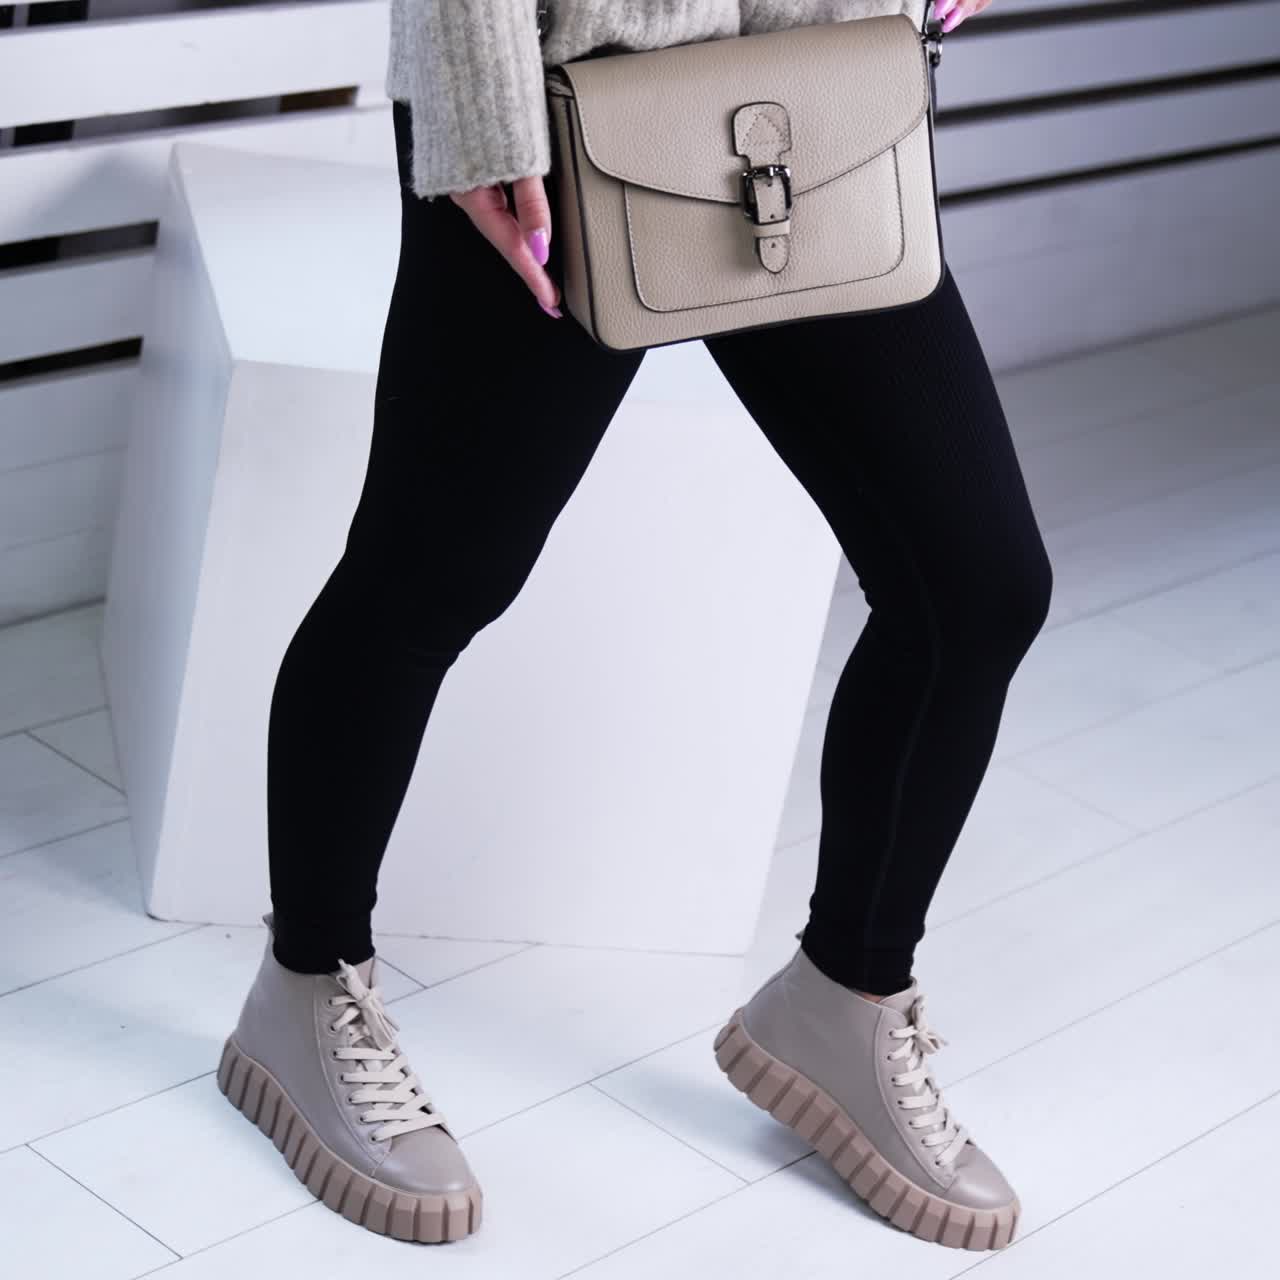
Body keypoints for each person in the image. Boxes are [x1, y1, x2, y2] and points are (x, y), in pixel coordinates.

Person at [220, 0, 1036, 1253]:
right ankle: (303, 986)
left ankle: (844, 999)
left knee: (974, 584)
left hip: (818, 74)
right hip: (558, 89)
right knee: (427, 579)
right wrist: (484, 111)